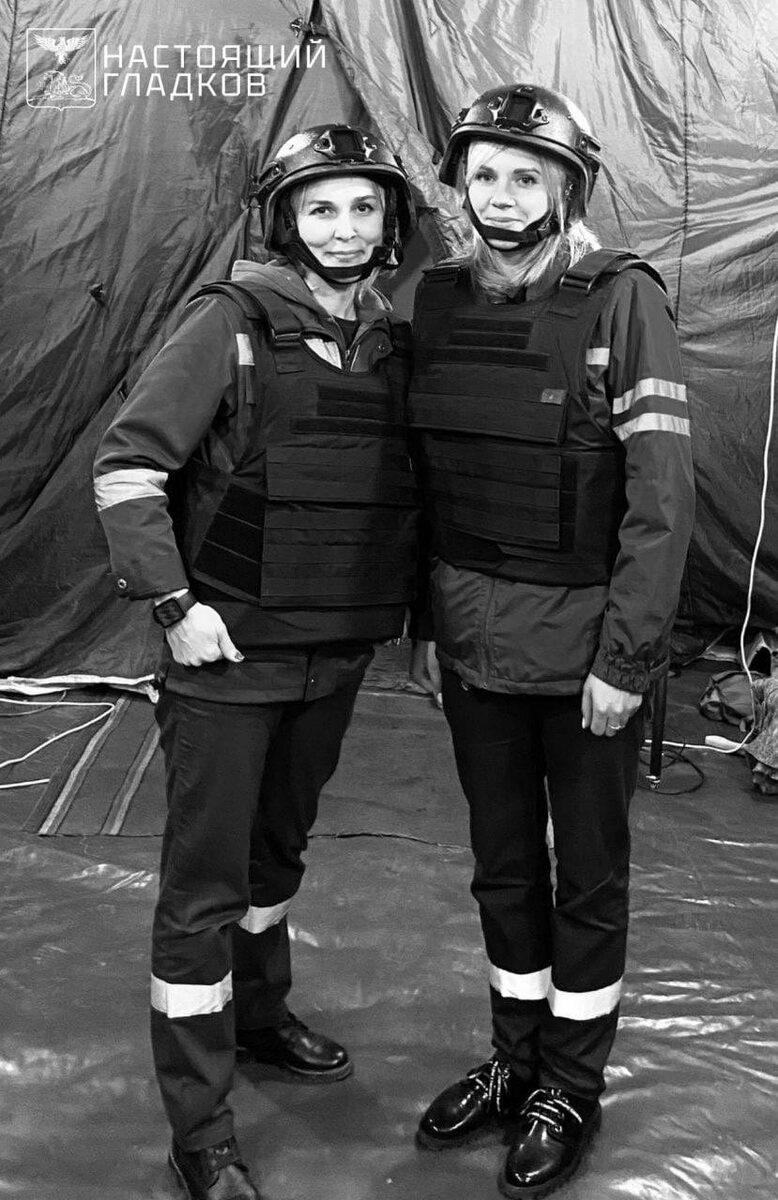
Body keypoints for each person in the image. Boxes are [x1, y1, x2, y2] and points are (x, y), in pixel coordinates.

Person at [94, 124, 417, 1200]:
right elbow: (128, 468)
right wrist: (173, 606)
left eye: (363, 207)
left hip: (333, 653)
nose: (345, 228)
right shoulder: (228, 321)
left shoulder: (389, 337)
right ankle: (201, 1128)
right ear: (285, 219)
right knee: (205, 891)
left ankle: (263, 1016)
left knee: (276, 862)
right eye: (321, 208)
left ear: (390, 221)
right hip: (228, 660)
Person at [409, 84, 695, 1198]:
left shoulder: (624, 301)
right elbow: (430, 481)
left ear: (567, 188)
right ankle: (514, 1061)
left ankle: (569, 1085)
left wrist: (625, 664)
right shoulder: (435, 299)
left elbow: (661, 504)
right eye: (483, 174)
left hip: (585, 665)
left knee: (588, 879)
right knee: (502, 871)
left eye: (526, 175)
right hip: (474, 650)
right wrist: (428, 628)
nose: (501, 195)